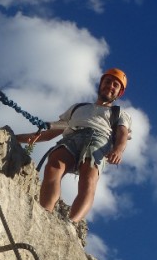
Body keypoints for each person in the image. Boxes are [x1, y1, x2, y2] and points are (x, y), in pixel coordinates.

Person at [16, 68, 131, 223]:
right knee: (54, 164)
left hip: (97, 140)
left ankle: (71, 222)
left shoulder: (120, 114)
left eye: (115, 85)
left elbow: (122, 134)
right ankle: (45, 212)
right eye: (108, 81)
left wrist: (118, 150)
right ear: (101, 83)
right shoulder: (78, 108)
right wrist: (16, 138)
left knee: (88, 179)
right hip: (73, 136)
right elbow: (51, 132)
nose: (110, 86)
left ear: (119, 93)